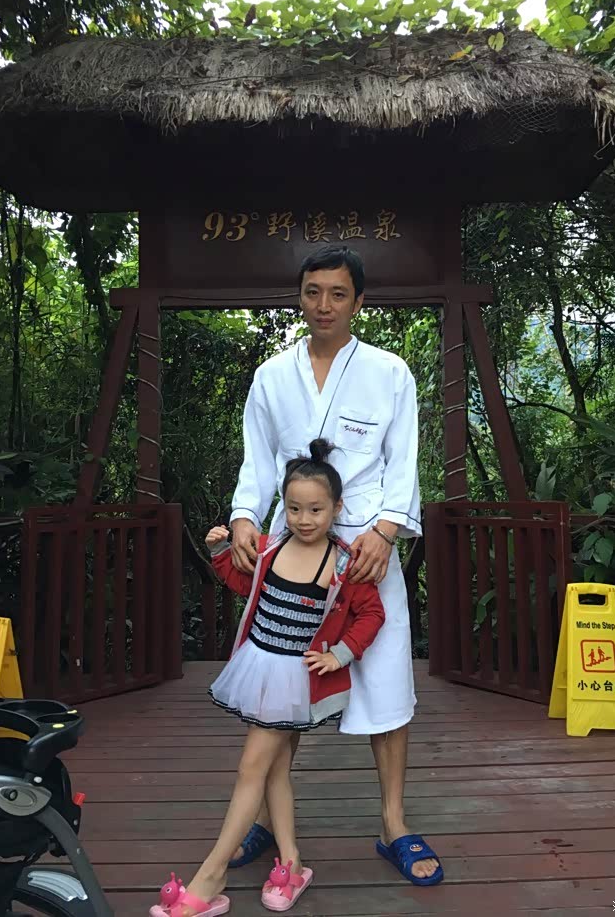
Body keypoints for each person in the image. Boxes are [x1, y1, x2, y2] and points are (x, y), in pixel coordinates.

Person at [228, 244, 443, 887]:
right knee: (281, 680)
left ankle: (393, 822)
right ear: (300, 297)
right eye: (313, 291)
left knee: (386, 677)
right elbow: (256, 462)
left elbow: (403, 461)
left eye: (338, 293)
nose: (324, 305)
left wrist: (388, 529)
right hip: (293, 549)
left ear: (358, 302)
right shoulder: (272, 376)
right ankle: (265, 820)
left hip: (366, 546)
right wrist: (244, 516)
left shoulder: (389, 372)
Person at [150, 439, 385, 917]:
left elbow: (371, 614)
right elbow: (246, 584)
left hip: (293, 680)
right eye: (294, 508)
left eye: (316, 509)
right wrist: (221, 551)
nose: (304, 519)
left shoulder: (344, 563)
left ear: (337, 509)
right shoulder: (270, 547)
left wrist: (340, 655)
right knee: (274, 770)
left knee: (251, 769)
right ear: (284, 506)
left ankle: (211, 874)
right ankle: (292, 864)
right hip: (258, 665)